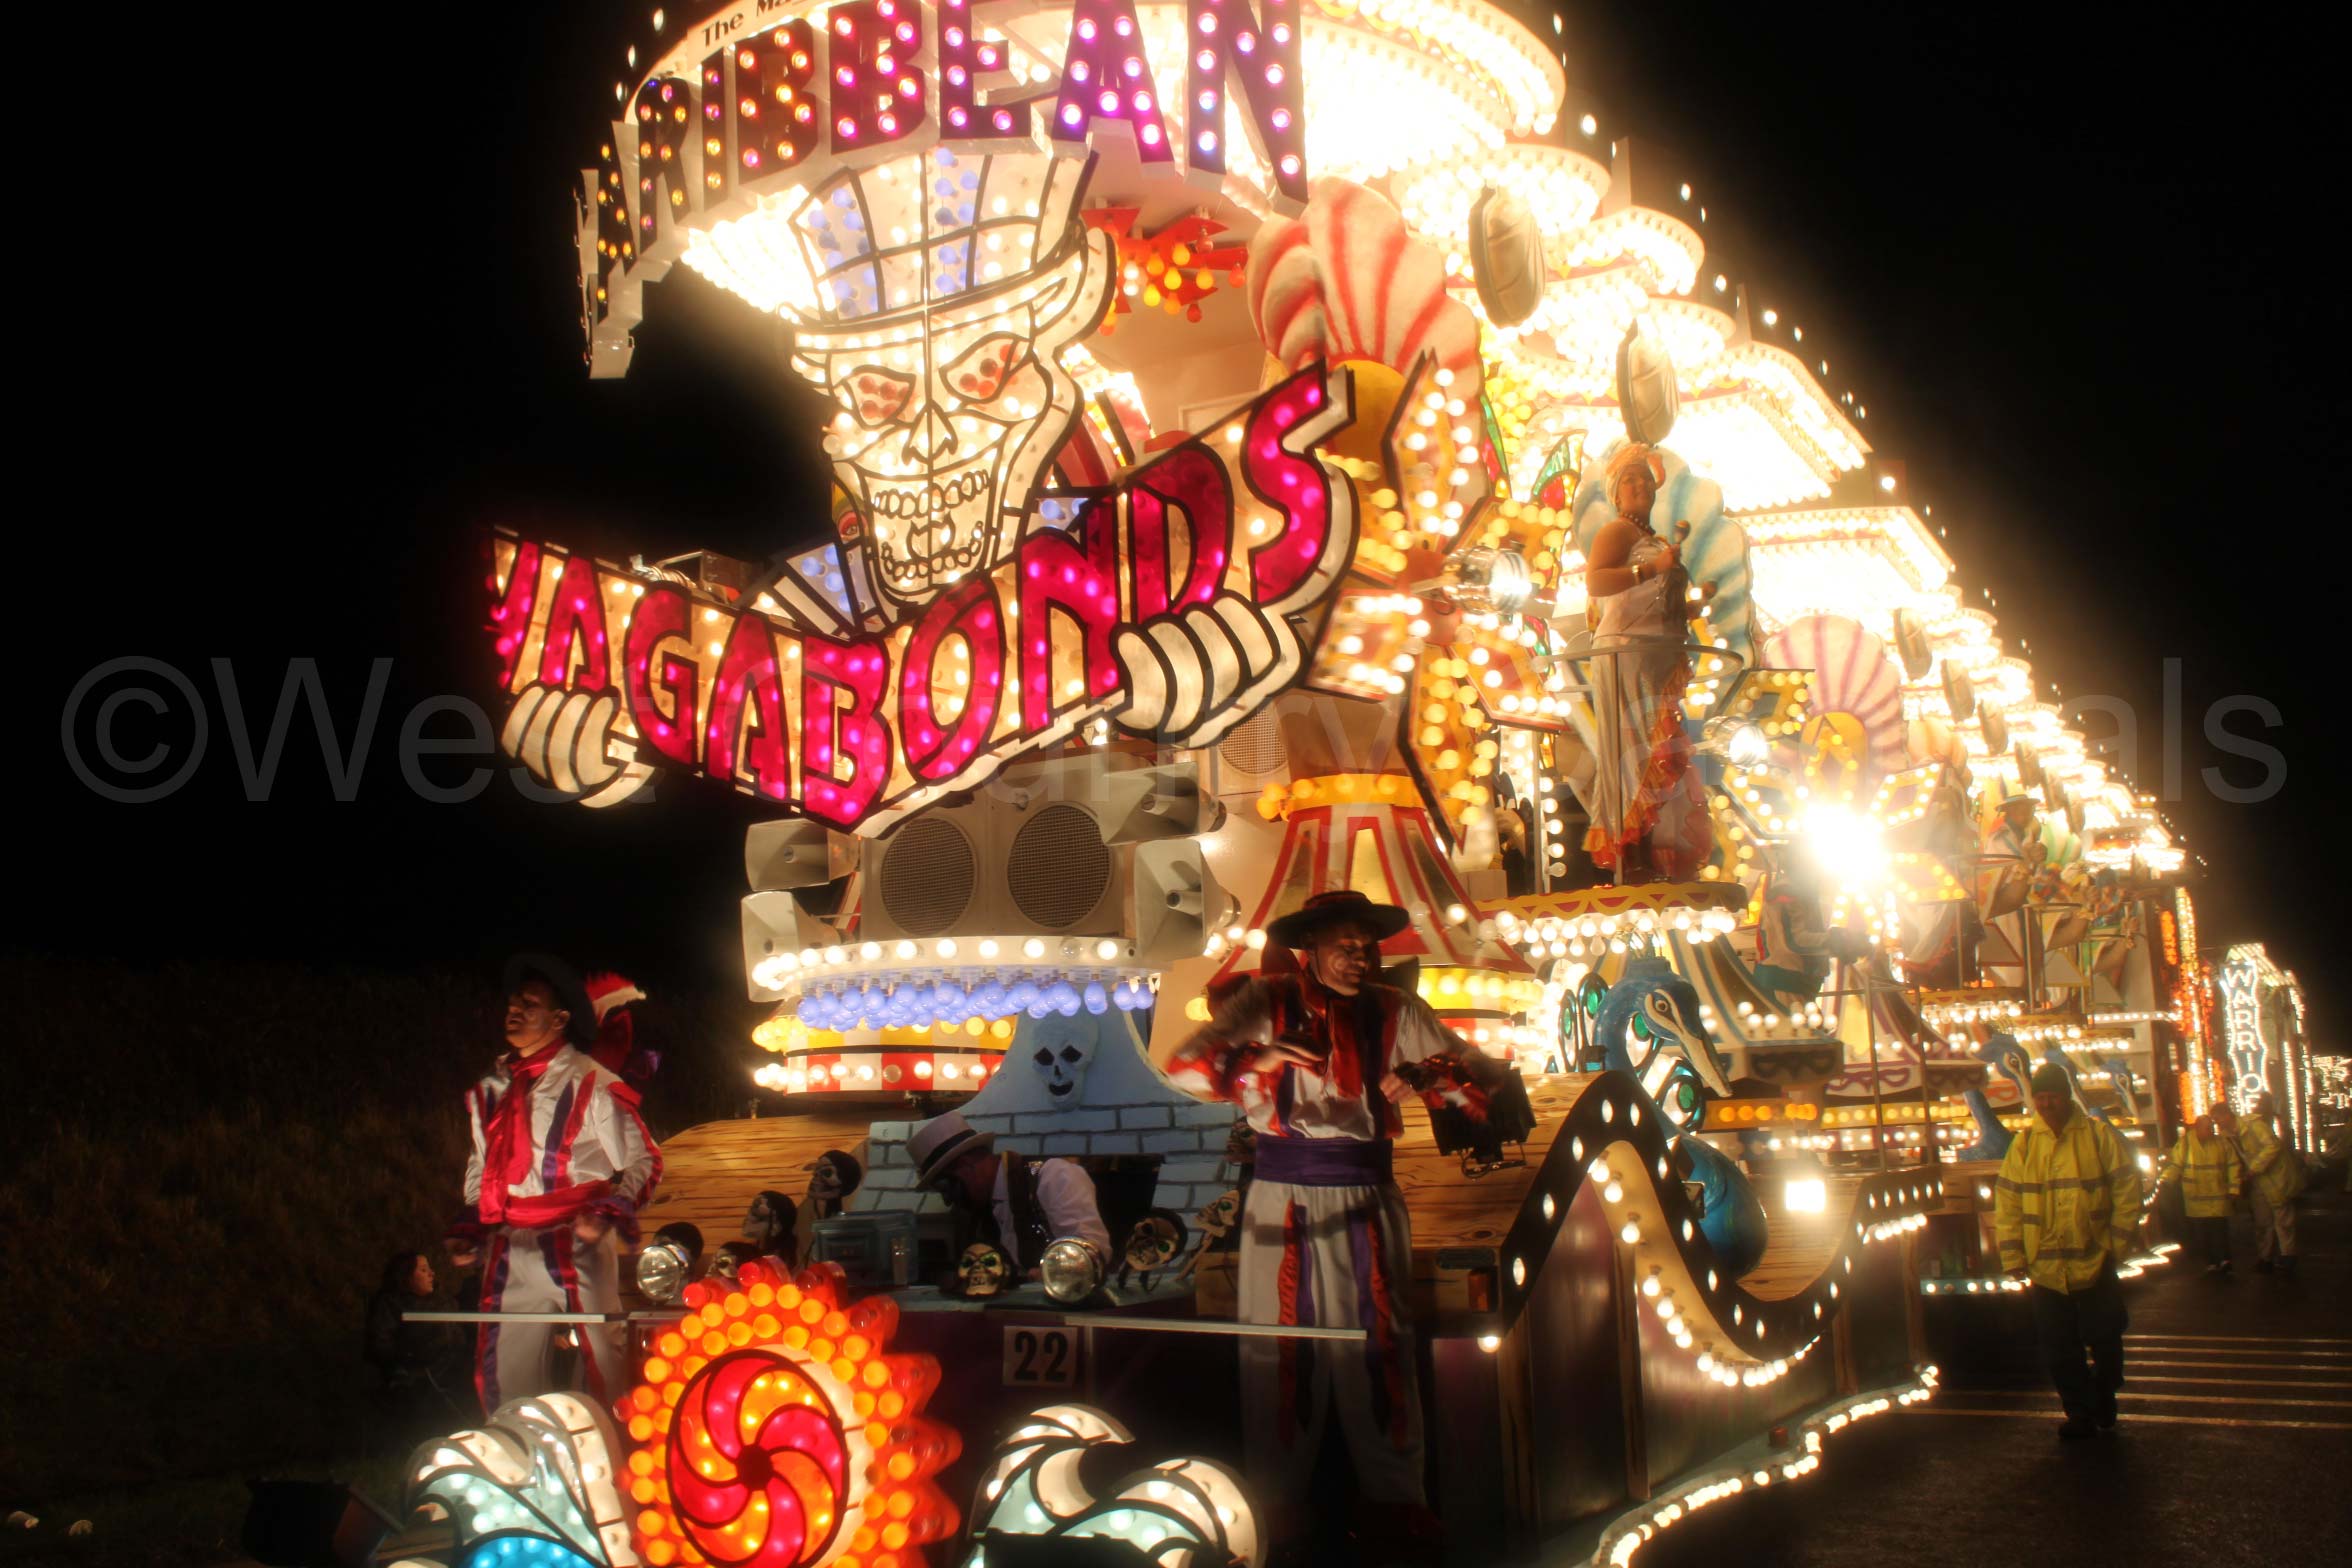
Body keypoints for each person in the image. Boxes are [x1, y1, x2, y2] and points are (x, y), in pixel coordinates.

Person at [1166, 889, 1517, 1562]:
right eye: (1346, 947)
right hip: (1281, 1195)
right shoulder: (1264, 1001)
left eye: (1367, 947)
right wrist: (1262, 1059)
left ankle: (1396, 1506)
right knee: (1278, 1346)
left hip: (1366, 1192)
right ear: (1312, 948)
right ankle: (1277, 1505)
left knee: (1380, 1342)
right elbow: (1185, 1067)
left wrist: (1424, 1073)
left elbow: (1482, 1077)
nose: (1361, 958)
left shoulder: (1396, 1008)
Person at [461, 953, 661, 1410]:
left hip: (576, 1237)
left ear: (560, 1020)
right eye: (513, 1003)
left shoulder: (591, 1082)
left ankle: (613, 1443)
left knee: (603, 1357)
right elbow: (479, 1164)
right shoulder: (492, 1089)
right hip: (510, 1241)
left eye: (529, 1004)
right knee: (502, 1366)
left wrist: (610, 1210)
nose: (515, 1010)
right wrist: (472, 1220)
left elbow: (645, 1160)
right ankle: (514, 1444)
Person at [1574, 443, 1715, 884]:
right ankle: (1627, 850)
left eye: (1643, 479)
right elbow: (1597, 581)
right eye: (1629, 480)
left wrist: (1693, 605)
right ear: (1616, 494)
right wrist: (1652, 569)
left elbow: (1657, 604)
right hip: (1626, 652)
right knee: (1630, 750)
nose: (1638, 486)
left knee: (1656, 750)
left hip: (1657, 657)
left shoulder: (1656, 541)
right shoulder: (1616, 532)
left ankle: (1651, 847)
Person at [1994, 1061, 2143, 1439]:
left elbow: (2127, 1187)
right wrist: (2013, 1257)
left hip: (2094, 1260)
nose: (2046, 1104)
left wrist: (2115, 1243)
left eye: (2052, 1096)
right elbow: (2008, 1204)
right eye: (2040, 1097)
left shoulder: (2096, 1136)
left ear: (2066, 1097)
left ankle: (2103, 1392)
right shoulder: (2025, 1144)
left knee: (2106, 1338)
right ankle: (2079, 1412)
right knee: (2059, 1349)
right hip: (2045, 1268)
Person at [905, 1110, 1109, 1279]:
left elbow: (1092, 1253)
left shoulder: (1052, 1177)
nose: (949, 1200)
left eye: (947, 1188)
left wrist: (1053, 1274)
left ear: (966, 1167)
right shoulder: (981, 1217)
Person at [363, 1252, 471, 1450]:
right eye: (423, 1270)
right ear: (406, 1276)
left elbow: (458, 1336)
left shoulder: (442, 1302)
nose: (431, 1274)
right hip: (415, 1376)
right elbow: (380, 1343)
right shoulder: (390, 1304)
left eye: (429, 1268)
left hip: (450, 1370)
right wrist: (409, 1363)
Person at [2223, 1096, 2303, 1276]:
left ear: (2227, 1115)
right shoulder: (2229, 1135)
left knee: (2282, 1219)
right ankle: (2267, 1257)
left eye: (2218, 1118)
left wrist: (2254, 1168)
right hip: (2260, 1180)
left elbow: (2272, 1146)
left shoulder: (2253, 1126)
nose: (2217, 1123)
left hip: (2274, 1178)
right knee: (2263, 1221)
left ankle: (2286, 1255)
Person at [2156, 1115, 2242, 1276]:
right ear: (2197, 1128)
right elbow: (2176, 1165)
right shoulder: (2186, 1144)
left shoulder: (2222, 1143)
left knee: (2220, 1231)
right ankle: (2211, 1262)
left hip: (2217, 1199)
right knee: (2203, 1234)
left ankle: (2224, 1260)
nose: (2211, 1131)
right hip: (2197, 1201)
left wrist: (2233, 1190)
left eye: (2211, 1127)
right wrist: (2165, 1180)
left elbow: (2233, 1166)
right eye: (2207, 1128)